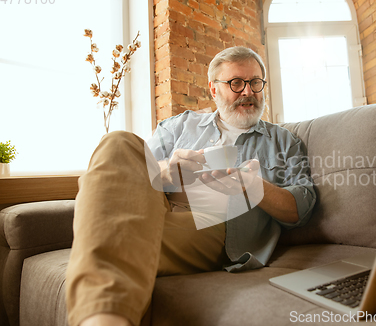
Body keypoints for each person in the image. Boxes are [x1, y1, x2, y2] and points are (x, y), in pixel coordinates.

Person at [66, 46, 316, 326]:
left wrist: (252, 185)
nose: (247, 91)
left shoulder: (283, 141)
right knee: (119, 141)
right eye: (236, 83)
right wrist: (165, 171)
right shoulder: (179, 126)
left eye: (255, 82)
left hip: (217, 220)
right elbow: (133, 169)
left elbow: (302, 207)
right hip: (155, 203)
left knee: (112, 234)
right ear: (213, 89)